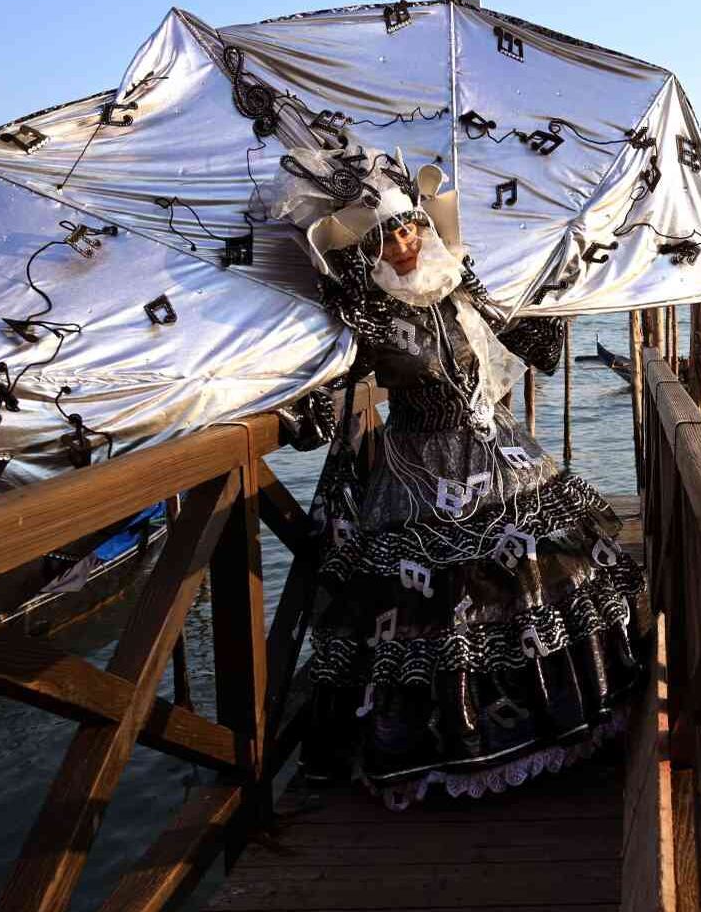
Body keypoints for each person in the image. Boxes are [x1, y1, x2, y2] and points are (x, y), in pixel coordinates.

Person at [269, 141, 647, 809]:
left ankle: (554, 725)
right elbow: (328, 390)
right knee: (432, 612)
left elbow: (540, 350)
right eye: (390, 235)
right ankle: (451, 747)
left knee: (533, 582)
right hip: (420, 472)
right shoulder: (367, 313)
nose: (407, 242)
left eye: (412, 226)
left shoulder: (463, 287)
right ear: (371, 250)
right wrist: (295, 413)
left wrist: (562, 279)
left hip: (502, 457)